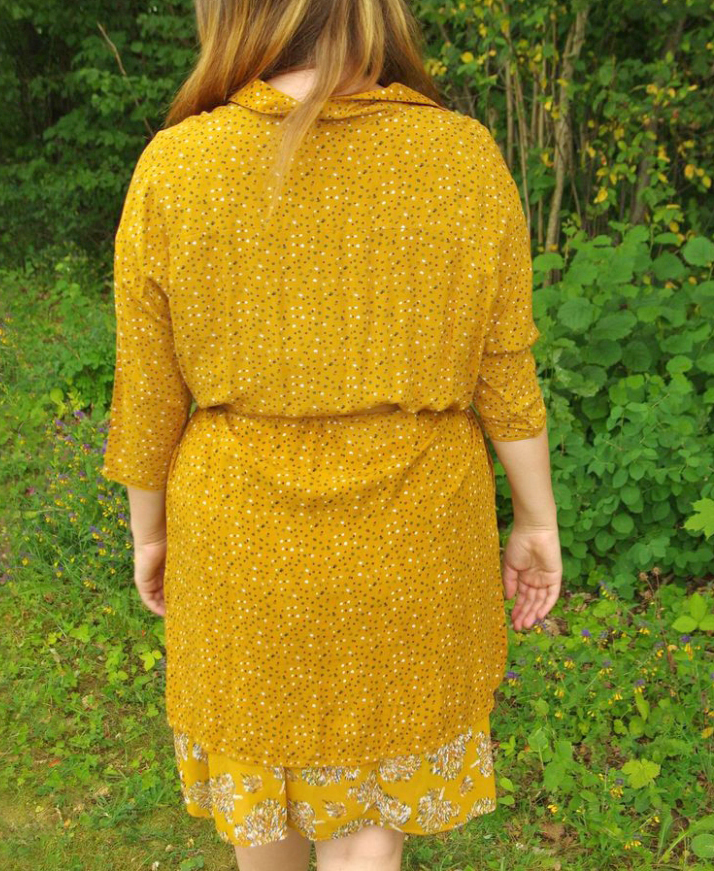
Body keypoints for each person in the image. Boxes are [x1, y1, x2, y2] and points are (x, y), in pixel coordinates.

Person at [100, 1, 563, 869]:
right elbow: (505, 367)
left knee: (263, 818)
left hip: (240, 538)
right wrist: (536, 520)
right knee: (364, 844)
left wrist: (149, 533)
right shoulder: (461, 157)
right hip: (413, 529)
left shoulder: (178, 164)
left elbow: (148, 394)